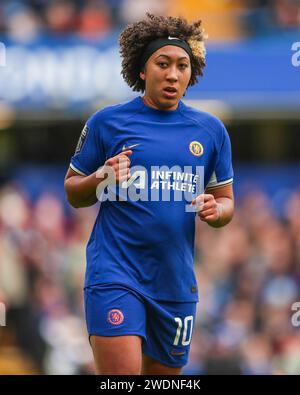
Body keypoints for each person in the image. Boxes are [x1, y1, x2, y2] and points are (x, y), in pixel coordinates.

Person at [64, 13, 234, 375]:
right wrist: (101, 177)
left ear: (192, 73)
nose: (173, 74)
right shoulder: (106, 123)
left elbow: (227, 202)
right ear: (142, 70)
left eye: (182, 66)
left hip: (175, 283)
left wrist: (216, 211)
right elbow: (73, 192)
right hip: (115, 274)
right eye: (163, 63)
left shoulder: (211, 131)